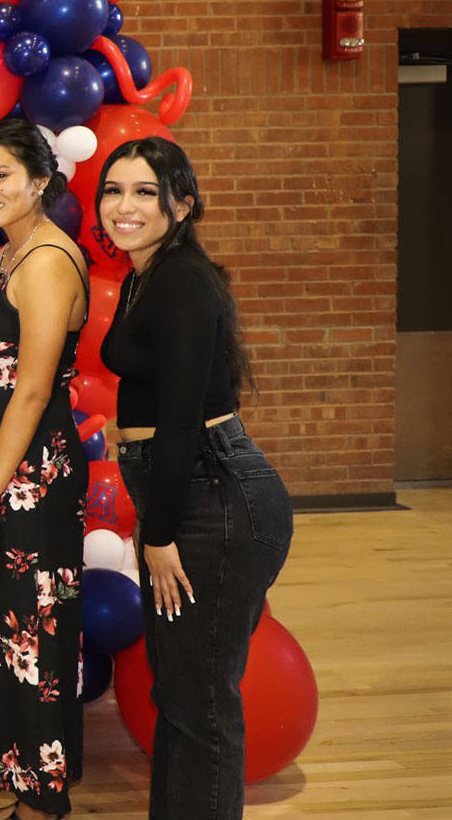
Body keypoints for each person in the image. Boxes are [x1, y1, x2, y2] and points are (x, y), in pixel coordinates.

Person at [98, 137, 292, 820]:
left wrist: (160, 535)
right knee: (181, 698)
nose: (125, 205)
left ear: (182, 203)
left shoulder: (179, 278)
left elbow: (180, 419)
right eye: (114, 190)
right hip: (191, 490)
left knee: (200, 706)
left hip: (211, 498)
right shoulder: (146, 273)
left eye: (145, 191)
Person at [0, 121, 91, 820]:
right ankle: (23, 792)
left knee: (32, 633)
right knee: (11, 629)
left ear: (41, 180)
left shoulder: (44, 260)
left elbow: (32, 390)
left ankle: (41, 803)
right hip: (15, 462)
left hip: (31, 471)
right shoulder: (16, 252)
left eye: (1, 175)